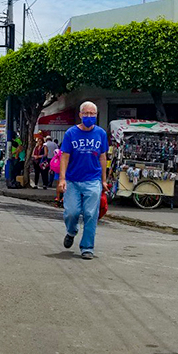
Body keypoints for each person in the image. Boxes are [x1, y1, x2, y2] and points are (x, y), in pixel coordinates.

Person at [58, 101, 108, 260]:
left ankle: (87, 247)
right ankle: (71, 231)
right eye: (85, 113)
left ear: (96, 115)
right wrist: (62, 179)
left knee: (90, 214)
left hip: (93, 180)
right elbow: (65, 157)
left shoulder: (101, 134)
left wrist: (104, 180)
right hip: (72, 180)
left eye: (92, 114)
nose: (89, 116)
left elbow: (103, 157)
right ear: (80, 115)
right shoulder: (71, 133)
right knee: (72, 212)